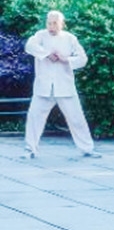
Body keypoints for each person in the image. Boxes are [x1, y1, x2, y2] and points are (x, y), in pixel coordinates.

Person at [21, 10, 100, 159]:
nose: (51, 26)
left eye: (55, 23)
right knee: (34, 118)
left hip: (65, 86)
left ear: (62, 24)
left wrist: (66, 59)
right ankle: (30, 149)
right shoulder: (40, 35)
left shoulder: (70, 38)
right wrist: (46, 54)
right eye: (49, 23)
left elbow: (83, 59)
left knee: (77, 119)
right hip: (43, 87)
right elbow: (29, 46)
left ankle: (87, 149)